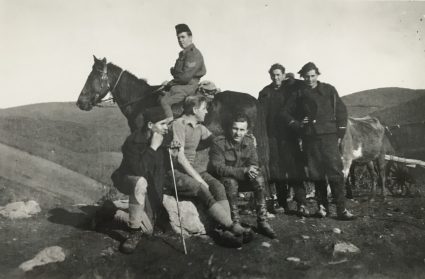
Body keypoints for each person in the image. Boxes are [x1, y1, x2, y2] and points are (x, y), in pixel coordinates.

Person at [168, 95, 245, 246]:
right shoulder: (179, 124)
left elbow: (219, 141)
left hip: (191, 169)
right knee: (201, 187)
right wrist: (199, 179)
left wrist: (244, 137)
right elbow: (180, 159)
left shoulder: (199, 127)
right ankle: (230, 227)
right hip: (175, 172)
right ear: (195, 110)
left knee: (218, 186)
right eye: (204, 109)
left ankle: (226, 230)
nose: (206, 112)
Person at [282, 62, 355, 221]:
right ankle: (323, 208)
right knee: (317, 174)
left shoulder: (329, 89)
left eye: (313, 76)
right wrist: (298, 123)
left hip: (329, 137)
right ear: (302, 77)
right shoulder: (298, 93)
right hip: (309, 138)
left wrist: (340, 132)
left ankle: (342, 209)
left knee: (335, 172)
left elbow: (341, 111)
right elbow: (285, 113)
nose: (310, 79)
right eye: (306, 76)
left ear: (318, 75)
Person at [111, 106, 172, 254]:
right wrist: (152, 148)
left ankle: (117, 213)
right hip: (127, 179)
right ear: (150, 125)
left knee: (150, 229)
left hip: (147, 186)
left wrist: (173, 154)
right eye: (163, 124)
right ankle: (133, 232)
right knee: (140, 182)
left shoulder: (161, 141)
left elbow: (160, 172)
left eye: (168, 124)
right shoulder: (133, 141)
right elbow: (139, 171)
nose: (166, 128)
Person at [209, 113, 277, 238]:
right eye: (235, 128)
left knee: (259, 179)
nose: (238, 133)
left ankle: (263, 221)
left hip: (243, 177)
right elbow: (219, 168)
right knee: (231, 183)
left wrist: (251, 170)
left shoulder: (249, 141)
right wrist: (244, 170)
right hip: (226, 179)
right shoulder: (219, 143)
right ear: (229, 128)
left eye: (242, 130)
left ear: (246, 130)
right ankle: (235, 222)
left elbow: (254, 163)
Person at [258, 63, 309, 217]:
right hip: (272, 137)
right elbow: (261, 117)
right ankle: (282, 203)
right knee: (276, 170)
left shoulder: (291, 90)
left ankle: (301, 203)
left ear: (284, 75)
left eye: (278, 74)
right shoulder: (265, 93)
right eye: (273, 75)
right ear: (270, 76)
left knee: (294, 169)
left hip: (290, 136)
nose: (276, 77)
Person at [160, 23, 207, 120]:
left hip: (188, 87)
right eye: (178, 38)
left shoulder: (193, 54)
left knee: (164, 102)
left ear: (190, 37)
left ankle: (169, 123)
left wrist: (170, 83)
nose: (180, 40)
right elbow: (180, 73)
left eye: (183, 37)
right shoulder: (184, 54)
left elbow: (185, 77)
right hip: (181, 85)